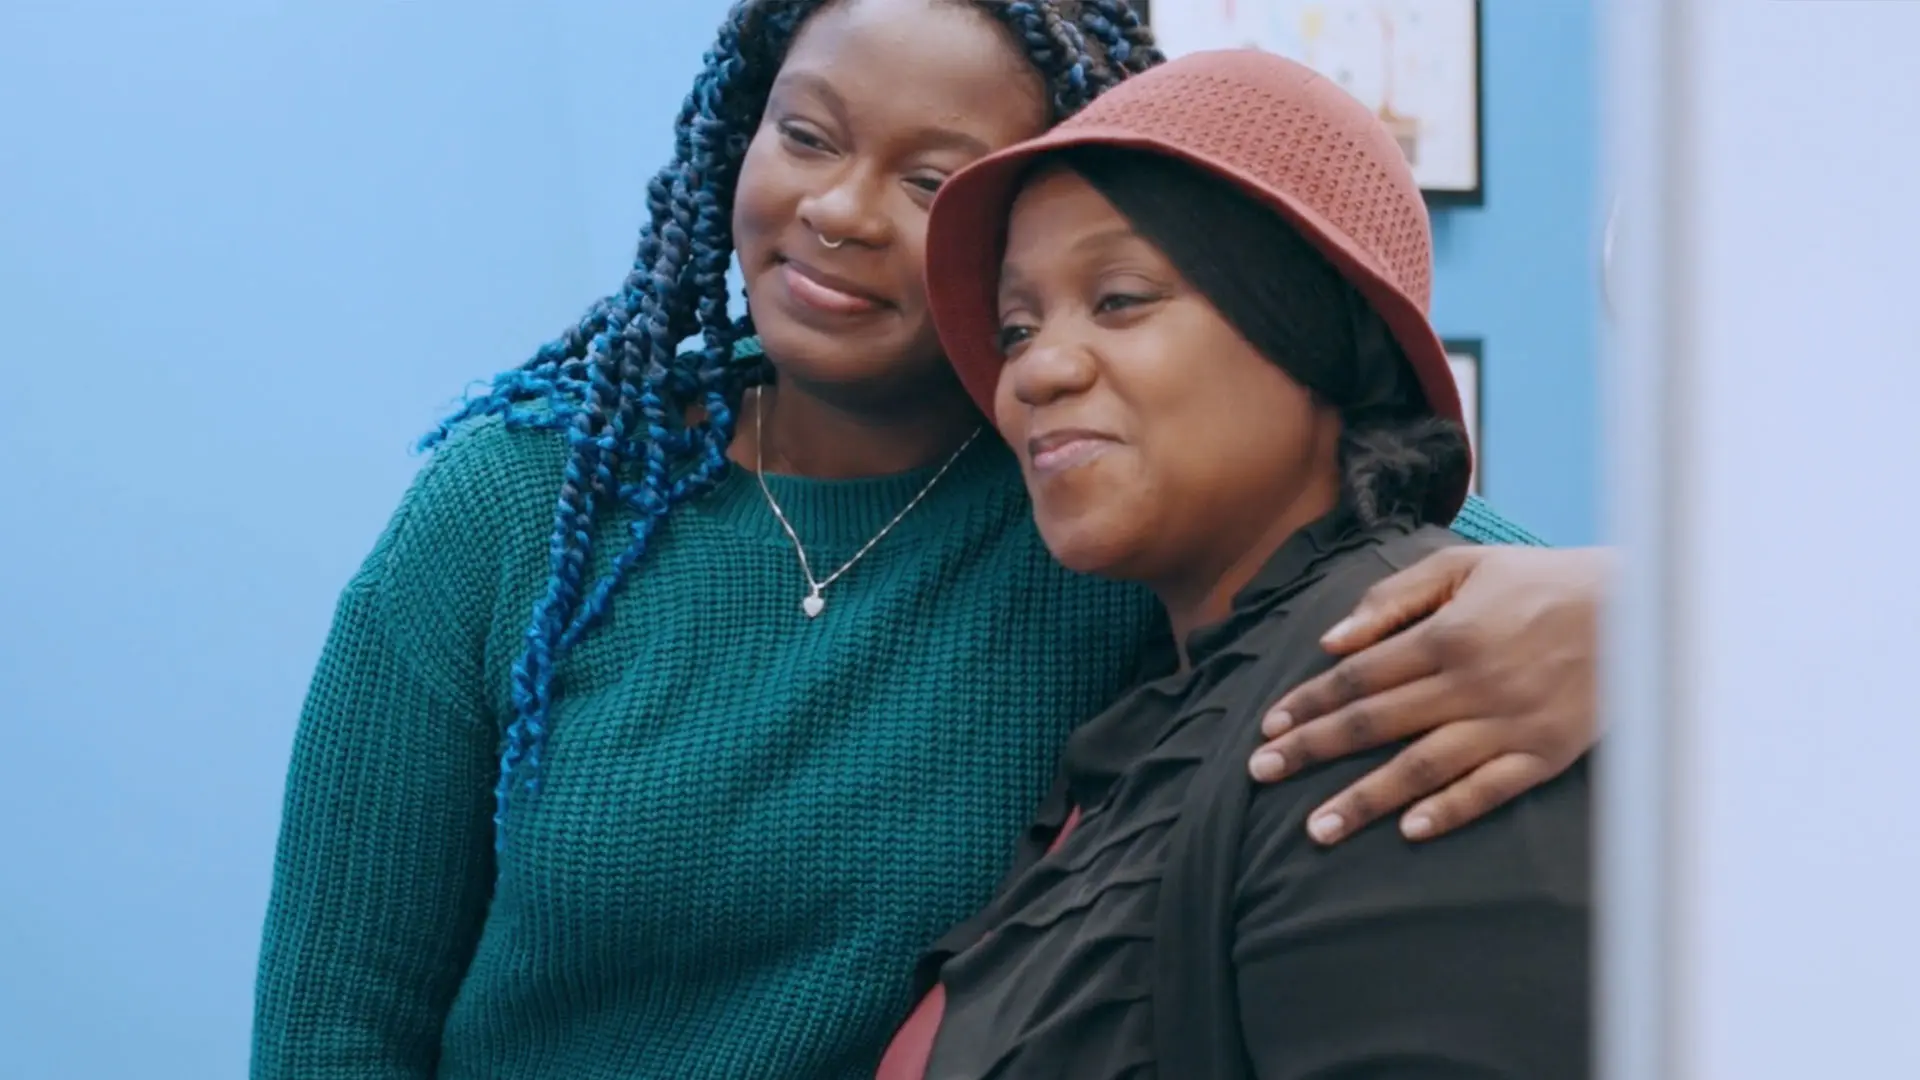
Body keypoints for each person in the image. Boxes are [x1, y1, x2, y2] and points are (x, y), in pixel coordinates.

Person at [249, 2, 1597, 1079]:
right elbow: (334, 1027)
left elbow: (1379, 532)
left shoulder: (1094, 504)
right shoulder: (514, 513)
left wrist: (1641, 610)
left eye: (932, 176)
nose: (840, 208)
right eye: (810, 134)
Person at [880, 47, 1589, 1079]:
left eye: (1119, 298)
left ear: (1309, 331)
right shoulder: (1167, 711)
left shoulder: (1405, 696)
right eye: (1016, 326)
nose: (1038, 368)